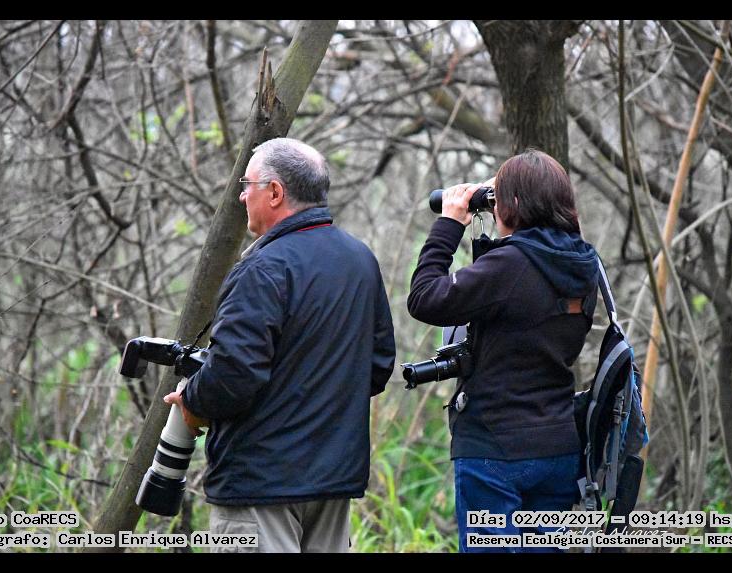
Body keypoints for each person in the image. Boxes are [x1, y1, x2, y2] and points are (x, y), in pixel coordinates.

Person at [164, 137, 396, 553]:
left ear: (274, 192)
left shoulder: (262, 269)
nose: (241, 195)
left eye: (247, 184)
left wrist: (192, 400)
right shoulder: (360, 260)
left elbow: (233, 375)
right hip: (332, 485)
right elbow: (377, 367)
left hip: (259, 486)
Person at [406, 149, 600, 553]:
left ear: (511, 204)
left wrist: (449, 224)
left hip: (495, 448)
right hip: (558, 446)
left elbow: (424, 298)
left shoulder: (510, 266)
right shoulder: (583, 265)